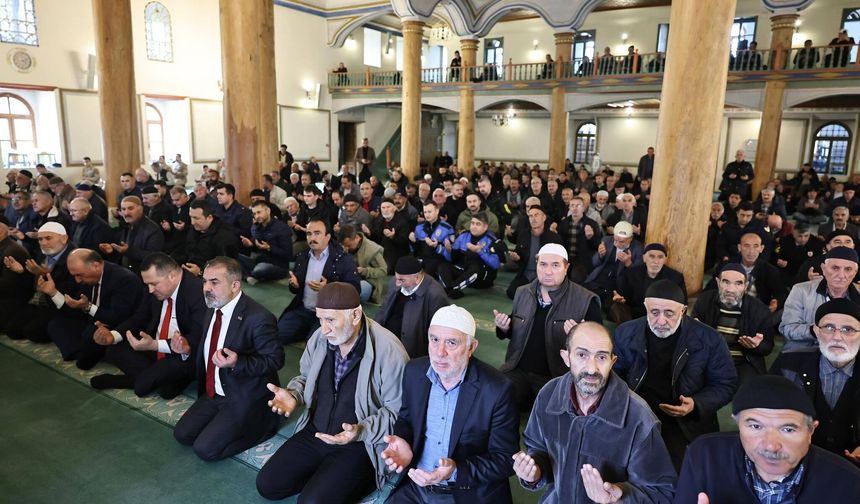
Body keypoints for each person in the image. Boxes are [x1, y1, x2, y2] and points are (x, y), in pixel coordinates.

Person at [257, 282, 409, 502]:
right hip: (316, 432)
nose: (324, 328)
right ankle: (327, 480)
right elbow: (306, 377)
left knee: (311, 502)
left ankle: (362, 478)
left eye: (330, 320)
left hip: (359, 443)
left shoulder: (390, 351)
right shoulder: (320, 338)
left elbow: (397, 412)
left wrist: (360, 431)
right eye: (320, 319)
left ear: (355, 315)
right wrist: (294, 394)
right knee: (268, 485)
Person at [514, 322, 677, 502]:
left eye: (601, 357)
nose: (592, 369)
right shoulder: (548, 394)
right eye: (582, 355)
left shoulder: (639, 418)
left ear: (612, 361)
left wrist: (617, 495)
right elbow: (538, 448)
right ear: (566, 357)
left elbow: (661, 493)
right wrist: (535, 472)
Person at [383, 305, 519, 502]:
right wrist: (403, 440)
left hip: (465, 491)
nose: (440, 352)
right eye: (434, 340)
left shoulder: (497, 389)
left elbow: (505, 458)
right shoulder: (415, 371)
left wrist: (455, 471)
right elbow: (406, 418)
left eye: (452, 343)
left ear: (471, 347)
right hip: (417, 485)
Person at [673, 375, 860, 503]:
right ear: (737, 424)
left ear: (811, 431)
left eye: (788, 429)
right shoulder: (704, 456)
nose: (771, 446)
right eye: (755, 426)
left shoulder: (848, 482)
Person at [614, 280, 737, 468]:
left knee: (677, 474)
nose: (661, 321)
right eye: (654, 312)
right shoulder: (626, 332)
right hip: (636, 414)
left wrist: (696, 404)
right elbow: (615, 375)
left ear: (683, 310)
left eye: (669, 313)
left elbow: (726, 384)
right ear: (646, 307)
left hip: (684, 422)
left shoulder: (710, 339)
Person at [173, 257, 284, 461]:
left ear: (235, 285)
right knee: (182, 434)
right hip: (214, 391)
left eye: (214, 282)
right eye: (204, 281)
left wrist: (237, 363)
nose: (206, 287)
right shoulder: (213, 307)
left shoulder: (259, 317)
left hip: (243, 396)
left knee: (205, 450)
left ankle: (262, 427)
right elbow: (207, 348)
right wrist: (186, 349)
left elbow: (275, 360)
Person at [494, 244, 602, 411]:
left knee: (556, 415)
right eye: (543, 264)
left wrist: (579, 338)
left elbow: (599, 351)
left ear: (566, 267)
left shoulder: (586, 301)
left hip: (557, 378)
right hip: (518, 371)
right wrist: (504, 328)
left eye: (555, 265)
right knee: (495, 399)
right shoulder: (523, 292)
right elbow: (521, 329)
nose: (548, 271)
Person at [89, 253, 206, 398]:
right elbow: (140, 317)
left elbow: (197, 338)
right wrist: (112, 335)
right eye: (147, 285)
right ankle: (156, 378)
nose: (150, 290)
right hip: (154, 345)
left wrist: (155, 345)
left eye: (154, 284)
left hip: (182, 353)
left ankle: (137, 380)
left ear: (172, 276)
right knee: (114, 349)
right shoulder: (154, 288)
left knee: (156, 389)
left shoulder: (198, 293)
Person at [771, 298, 860, 461]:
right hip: (796, 460)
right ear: (817, 332)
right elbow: (768, 413)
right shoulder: (787, 366)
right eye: (829, 327)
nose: (837, 337)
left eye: (848, 329)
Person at [44, 248, 145, 369]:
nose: (77, 280)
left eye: (79, 275)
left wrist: (87, 307)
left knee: (90, 335)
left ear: (96, 266)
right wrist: (53, 293)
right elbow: (76, 309)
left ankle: (88, 355)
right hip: (93, 319)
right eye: (74, 275)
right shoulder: (87, 277)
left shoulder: (124, 279)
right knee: (56, 324)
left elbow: (118, 317)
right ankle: (83, 352)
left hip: (116, 325)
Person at [277, 218, 360, 344]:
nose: (312, 238)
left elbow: (355, 290)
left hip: (328, 315)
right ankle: (307, 330)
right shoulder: (302, 257)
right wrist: (294, 285)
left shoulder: (344, 260)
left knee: (314, 346)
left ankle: (311, 333)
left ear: (327, 236)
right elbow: (295, 290)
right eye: (309, 234)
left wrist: (328, 289)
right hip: (303, 310)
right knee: (277, 335)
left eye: (317, 233)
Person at [692, 263, 774, 386]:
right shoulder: (704, 300)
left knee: (749, 390)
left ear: (745, 286)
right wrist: (695, 332)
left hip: (742, 361)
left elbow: (768, 347)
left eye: (738, 283)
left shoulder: (760, 310)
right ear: (717, 282)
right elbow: (691, 336)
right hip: (709, 358)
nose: (731, 289)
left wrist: (755, 346)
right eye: (726, 282)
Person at [780, 247, 860, 351]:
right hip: (806, 352)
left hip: (848, 355)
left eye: (848, 269)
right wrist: (814, 330)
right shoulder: (801, 290)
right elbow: (787, 328)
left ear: (855, 272)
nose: (841, 275)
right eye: (835, 268)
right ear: (823, 268)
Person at [376, 256, 449, 359]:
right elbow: (384, 309)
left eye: (401, 280)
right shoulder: (395, 282)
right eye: (396, 278)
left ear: (417, 278)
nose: (397, 283)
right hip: (387, 341)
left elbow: (438, 333)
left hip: (411, 352)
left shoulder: (435, 295)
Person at [612, 242, 686, 324]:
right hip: (635, 315)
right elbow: (624, 297)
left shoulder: (675, 278)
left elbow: (682, 303)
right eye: (652, 256)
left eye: (660, 257)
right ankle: (628, 333)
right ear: (644, 258)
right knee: (617, 307)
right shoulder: (632, 273)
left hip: (661, 316)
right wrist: (620, 300)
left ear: (665, 260)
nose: (656, 261)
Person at [438, 212, 504, 299]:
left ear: (485, 227)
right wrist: (448, 250)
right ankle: (450, 290)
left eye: (478, 224)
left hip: (481, 279)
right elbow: (451, 259)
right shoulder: (463, 236)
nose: (474, 226)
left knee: (476, 268)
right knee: (443, 266)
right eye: (472, 223)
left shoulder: (492, 241)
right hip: (464, 273)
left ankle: (452, 289)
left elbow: (495, 264)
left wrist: (479, 251)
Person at [584, 221, 644, 309]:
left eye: (622, 242)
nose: (617, 244)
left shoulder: (638, 249)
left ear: (630, 238)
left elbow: (638, 277)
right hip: (596, 281)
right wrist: (600, 255)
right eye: (615, 240)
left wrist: (628, 264)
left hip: (615, 289)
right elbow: (594, 263)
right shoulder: (607, 240)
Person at [171, 199, 240, 276]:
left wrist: (200, 272)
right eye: (191, 217)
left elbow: (227, 270)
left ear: (209, 218)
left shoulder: (224, 237)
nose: (192, 222)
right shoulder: (194, 229)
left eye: (196, 218)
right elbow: (186, 249)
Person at [506, 205, 563, 299]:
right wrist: (516, 257)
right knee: (511, 292)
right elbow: (519, 253)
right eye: (530, 216)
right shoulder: (523, 234)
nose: (533, 218)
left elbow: (560, 261)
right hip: (526, 274)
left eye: (536, 215)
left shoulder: (554, 238)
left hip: (546, 275)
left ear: (544, 217)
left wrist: (545, 260)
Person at [99, 196, 164, 273]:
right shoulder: (126, 226)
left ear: (140, 209)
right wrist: (112, 250)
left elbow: (154, 257)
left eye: (130, 209)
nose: (126, 213)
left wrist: (128, 251)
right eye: (123, 209)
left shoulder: (152, 230)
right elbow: (122, 250)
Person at [239, 200, 292, 285]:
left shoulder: (282, 228)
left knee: (260, 269)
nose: (257, 216)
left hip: (278, 265)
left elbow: (288, 254)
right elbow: (256, 247)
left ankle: (247, 275)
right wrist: (250, 244)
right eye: (254, 214)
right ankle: (249, 276)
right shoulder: (256, 227)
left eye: (259, 212)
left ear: (268, 211)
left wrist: (269, 248)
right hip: (259, 260)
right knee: (234, 256)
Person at [338, 224, 387, 303]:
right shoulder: (344, 246)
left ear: (357, 238)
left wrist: (365, 271)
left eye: (348, 245)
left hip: (368, 282)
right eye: (343, 245)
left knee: (352, 290)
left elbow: (383, 270)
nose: (346, 248)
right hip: (348, 279)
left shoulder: (373, 250)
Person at [410, 201, 455, 279]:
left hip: (437, 260)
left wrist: (436, 246)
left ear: (437, 211)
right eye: (425, 212)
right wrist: (413, 242)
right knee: (406, 267)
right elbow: (414, 250)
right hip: (421, 258)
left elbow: (450, 256)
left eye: (429, 211)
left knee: (423, 275)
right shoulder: (419, 227)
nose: (427, 214)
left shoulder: (447, 228)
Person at [370, 198, 411, 275]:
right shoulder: (379, 220)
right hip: (380, 251)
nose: (386, 210)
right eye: (383, 208)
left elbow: (404, 242)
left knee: (384, 269)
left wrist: (393, 237)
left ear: (394, 208)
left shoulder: (403, 221)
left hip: (397, 253)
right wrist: (369, 233)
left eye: (388, 207)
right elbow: (375, 237)